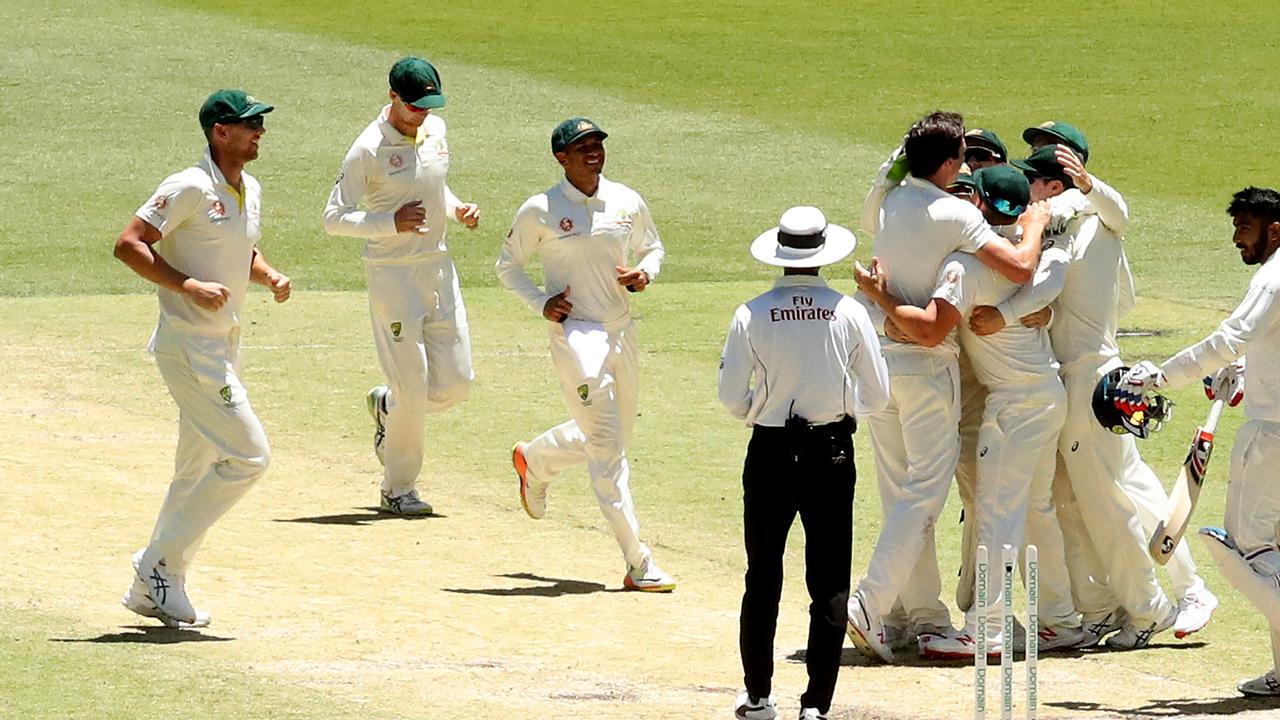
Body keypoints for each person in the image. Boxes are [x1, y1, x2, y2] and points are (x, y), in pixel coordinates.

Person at [845, 111, 1050, 663]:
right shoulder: (955, 213)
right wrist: (1033, 221)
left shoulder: (886, 202)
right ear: (952, 163)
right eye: (960, 154)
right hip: (924, 362)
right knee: (925, 491)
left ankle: (927, 620)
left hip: (878, 361)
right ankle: (869, 602)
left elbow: (885, 180)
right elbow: (1020, 269)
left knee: (900, 491)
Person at [114, 89, 290, 627]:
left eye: (260, 124)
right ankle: (155, 564)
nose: (259, 131)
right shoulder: (189, 184)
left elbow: (240, 248)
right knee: (249, 457)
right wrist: (186, 284)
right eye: (249, 124)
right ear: (220, 131)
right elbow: (129, 243)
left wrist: (266, 275)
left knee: (193, 470)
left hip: (225, 344)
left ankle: (160, 586)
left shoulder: (248, 188)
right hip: (191, 347)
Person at [720, 206, 888, 720]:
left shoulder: (752, 312)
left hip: (770, 448)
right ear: (821, 255)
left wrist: (762, 413)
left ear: (782, 252)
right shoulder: (849, 311)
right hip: (831, 450)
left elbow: (730, 396)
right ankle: (816, 706)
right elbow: (877, 396)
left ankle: (758, 697)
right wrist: (839, 416)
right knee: (830, 582)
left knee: (762, 576)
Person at [496, 117, 674, 591]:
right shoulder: (542, 209)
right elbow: (508, 266)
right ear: (561, 157)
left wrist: (644, 273)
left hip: (621, 332)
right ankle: (639, 562)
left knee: (613, 437)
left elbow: (653, 247)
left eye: (597, 144)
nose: (593, 152)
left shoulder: (625, 199)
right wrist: (541, 303)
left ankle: (534, 459)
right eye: (582, 147)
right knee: (607, 451)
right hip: (576, 336)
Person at [1120, 187, 1280, 694]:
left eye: (1246, 228)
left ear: (1275, 230)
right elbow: (1253, 344)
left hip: (1272, 437)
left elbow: (1229, 337)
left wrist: (1161, 377)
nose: (1237, 239)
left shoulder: (1272, 278)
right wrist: (1247, 367)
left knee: (1249, 553)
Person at [323, 56, 481, 516]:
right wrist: (389, 222)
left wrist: (456, 210)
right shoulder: (367, 149)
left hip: (438, 268)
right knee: (413, 388)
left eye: (429, 105)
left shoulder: (437, 130)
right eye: (415, 106)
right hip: (392, 275)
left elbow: (435, 188)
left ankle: (390, 410)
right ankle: (398, 488)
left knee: (456, 384)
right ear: (393, 97)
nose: (423, 114)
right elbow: (333, 219)